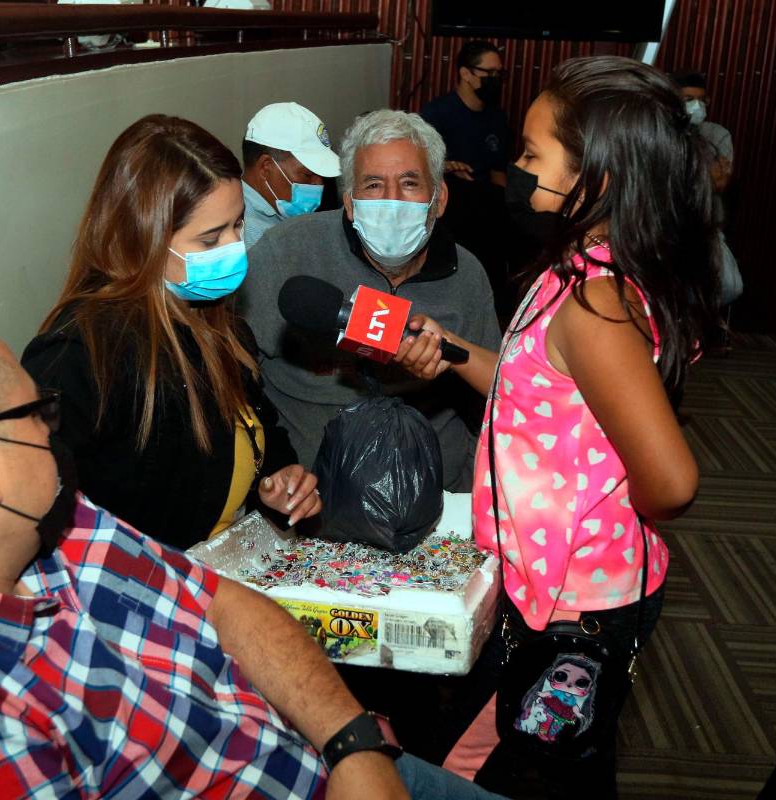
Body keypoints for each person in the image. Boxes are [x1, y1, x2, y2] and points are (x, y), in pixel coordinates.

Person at [0, 301, 508, 799]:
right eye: (38, 413)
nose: (54, 430)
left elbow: (221, 603)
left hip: (323, 760)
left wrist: (351, 743)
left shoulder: (48, 522)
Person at [394, 56, 718, 797]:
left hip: (578, 602)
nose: (516, 167)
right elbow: (533, 390)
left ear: (595, 178)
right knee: (548, 763)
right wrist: (451, 351)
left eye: (533, 155)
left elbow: (671, 483)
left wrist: (604, 517)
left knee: (507, 769)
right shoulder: (573, 268)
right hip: (547, 585)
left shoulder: (595, 303)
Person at [23, 115, 321, 550]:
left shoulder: (220, 324)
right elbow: (40, 509)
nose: (234, 248)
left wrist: (278, 478)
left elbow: (256, 428)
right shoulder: (79, 355)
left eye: (238, 225)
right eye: (210, 239)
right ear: (141, 240)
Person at [238, 109, 501, 492]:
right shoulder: (286, 251)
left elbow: (497, 399)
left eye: (409, 183)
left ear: (439, 198)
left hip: (439, 499)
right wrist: (271, 468)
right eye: (374, 185)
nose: (392, 201)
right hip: (313, 498)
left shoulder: (468, 275)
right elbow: (231, 373)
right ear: (349, 202)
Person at [421, 41, 515, 308]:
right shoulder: (436, 114)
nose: (495, 79)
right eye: (489, 73)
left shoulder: (497, 117)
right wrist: (447, 166)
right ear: (466, 73)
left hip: (487, 207)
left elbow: (499, 173)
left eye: (499, 74)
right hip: (452, 207)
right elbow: (420, 167)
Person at [673, 70, 742, 306]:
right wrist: (703, 176)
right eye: (688, 99)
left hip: (705, 225)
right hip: (668, 226)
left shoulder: (717, 134)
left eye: (702, 100)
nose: (697, 105)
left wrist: (683, 178)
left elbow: (719, 183)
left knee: (728, 287)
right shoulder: (662, 132)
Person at [241, 102, 341, 249]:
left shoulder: (280, 217)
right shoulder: (250, 236)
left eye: (322, 176)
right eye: (307, 175)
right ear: (265, 167)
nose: (319, 184)